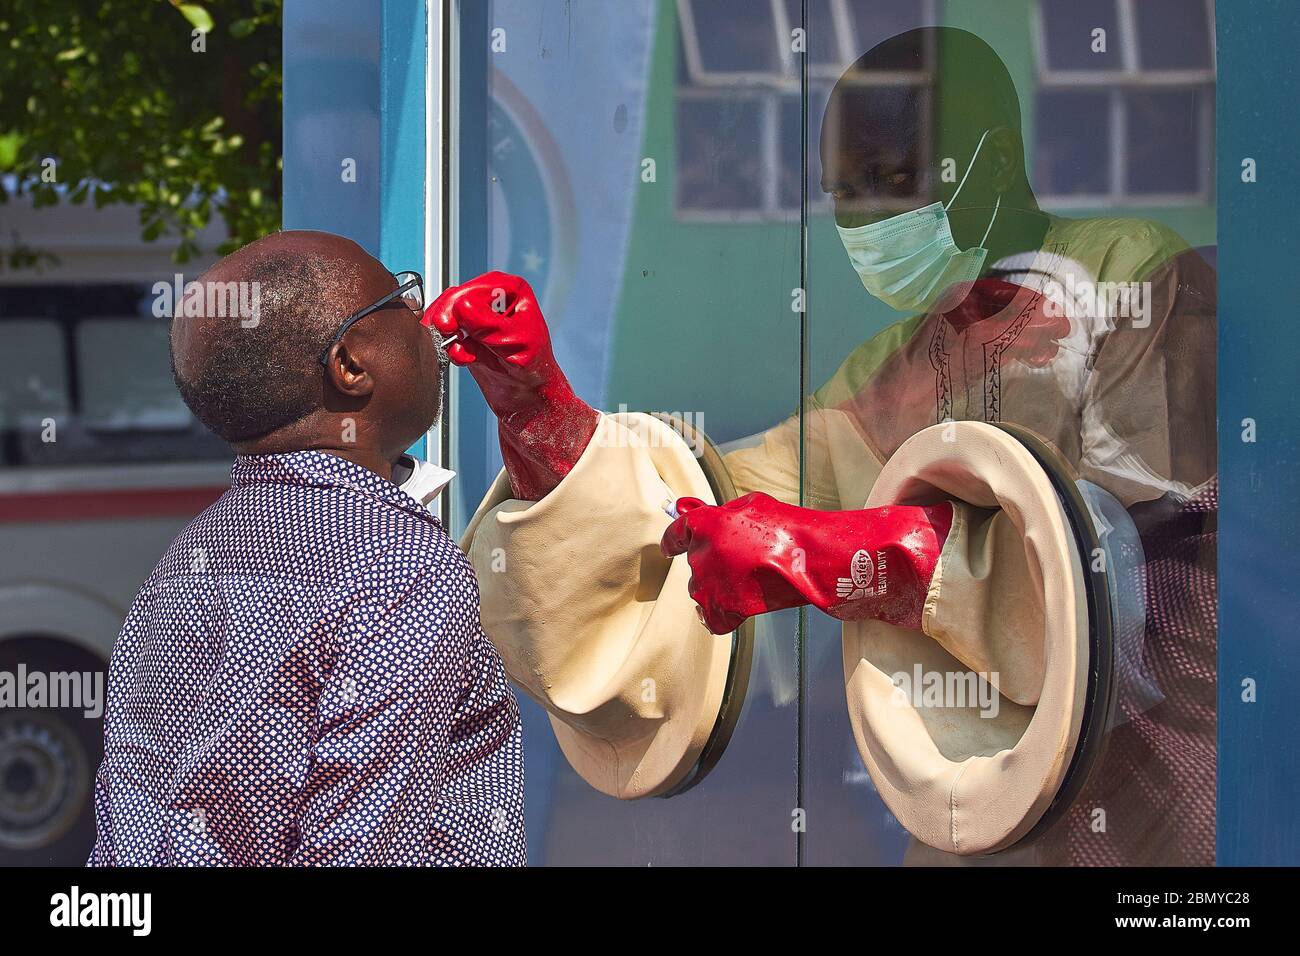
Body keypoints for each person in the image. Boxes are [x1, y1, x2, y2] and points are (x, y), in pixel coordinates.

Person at [435, 27, 1215, 865]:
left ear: (989, 165)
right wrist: (545, 419)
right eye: (843, 193)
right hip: (981, 807)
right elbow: (719, 501)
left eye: (890, 181)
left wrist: (880, 558)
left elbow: (1153, 566)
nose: (865, 220)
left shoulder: (1132, 278)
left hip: (1145, 801)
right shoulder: (889, 372)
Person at [87, 230, 525, 867]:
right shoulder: (401, 565)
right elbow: (362, 843)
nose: (428, 319)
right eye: (401, 300)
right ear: (349, 366)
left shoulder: (185, 558)